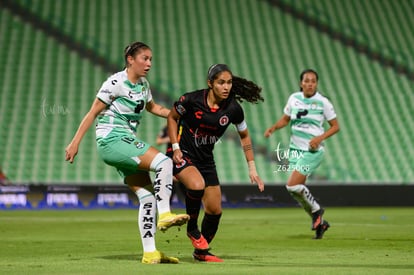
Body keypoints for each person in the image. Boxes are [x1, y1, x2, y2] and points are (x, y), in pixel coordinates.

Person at [65, 41, 189, 264]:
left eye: (151, 59)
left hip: (125, 141)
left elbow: (154, 109)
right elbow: (93, 112)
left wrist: (177, 114)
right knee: (164, 162)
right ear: (130, 60)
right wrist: (75, 143)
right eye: (145, 58)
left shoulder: (143, 84)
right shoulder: (115, 82)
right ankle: (165, 214)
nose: (149, 63)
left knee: (147, 197)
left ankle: (150, 253)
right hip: (112, 140)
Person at [167, 64, 265, 262]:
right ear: (210, 83)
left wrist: (252, 167)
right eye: (221, 82)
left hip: (205, 159)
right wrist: (175, 147)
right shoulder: (191, 100)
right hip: (182, 152)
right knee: (197, 185)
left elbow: (244, 136)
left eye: (229, 82)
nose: (226, 87)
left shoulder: (234, 109)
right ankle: (192, 229)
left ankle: (200, 253)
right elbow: (172, 117)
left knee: (214, 210)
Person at [264, 69, 340, 239]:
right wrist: (273, 128)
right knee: (296, 191)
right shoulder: (294, 98)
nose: (310, 84)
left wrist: (319, 138)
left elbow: (335, 126)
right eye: (307, 81)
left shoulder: (323, 102)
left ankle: (317, 211)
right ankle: (320, 223)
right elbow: (286, 119)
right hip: (295, 150)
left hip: (312, 151)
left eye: (313, 81)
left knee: (292, 185)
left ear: (316, 84)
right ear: (301, 83)